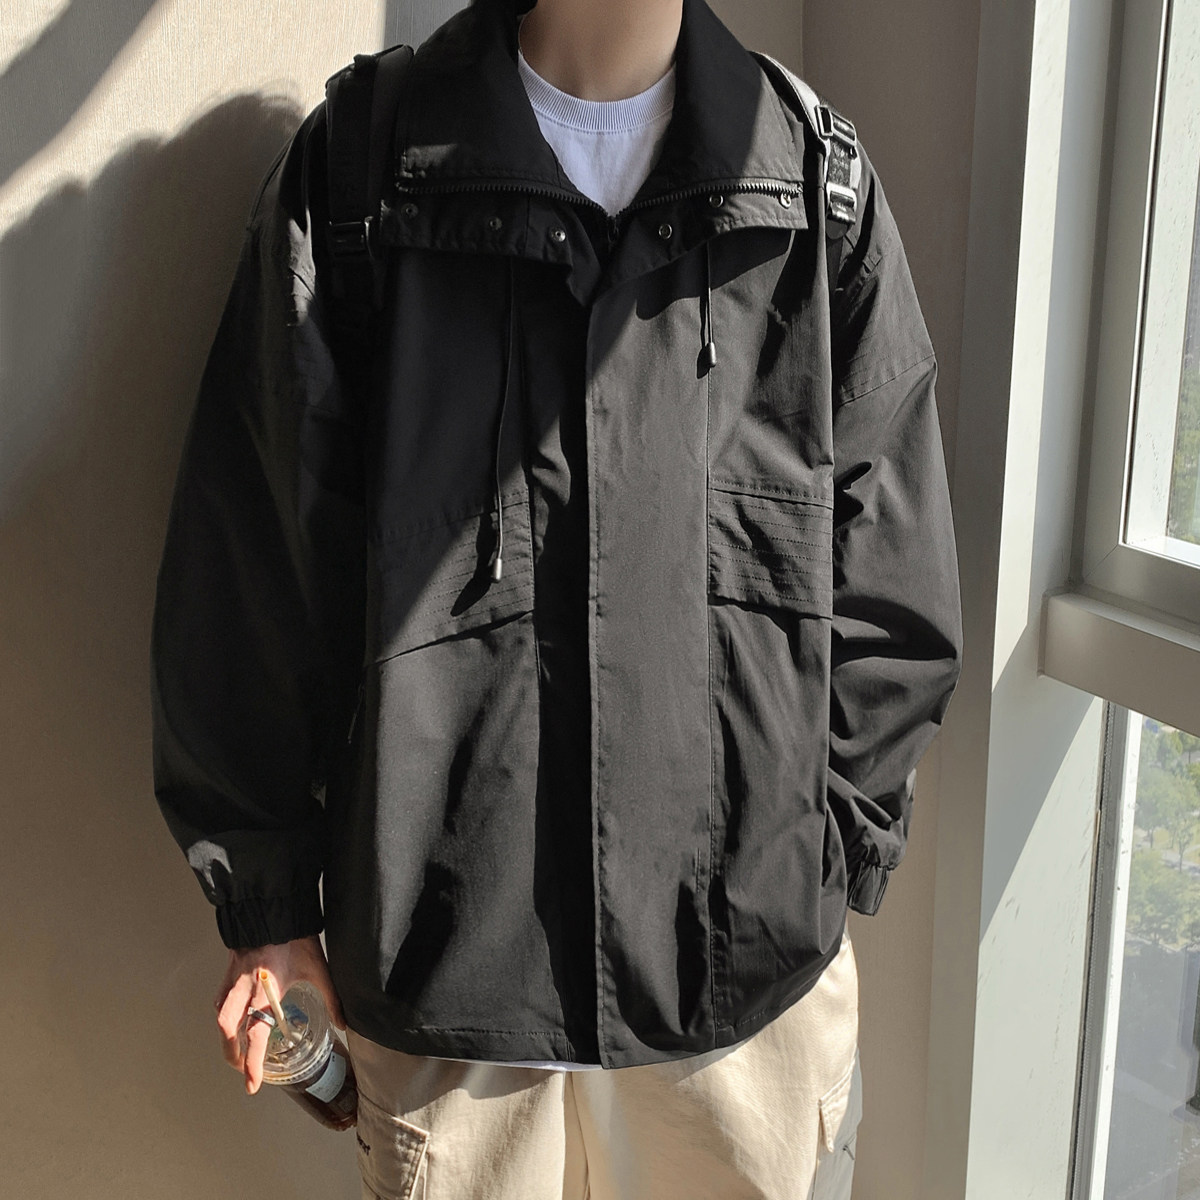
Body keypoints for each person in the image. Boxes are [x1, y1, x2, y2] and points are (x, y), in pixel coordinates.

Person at [150, 0, 963, 1195]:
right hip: (450, 988)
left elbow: (892, 578)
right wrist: (268, 902)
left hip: (741, 996)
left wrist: (817, 854)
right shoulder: (363, 174)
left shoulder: (810, 183)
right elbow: (254, 563)